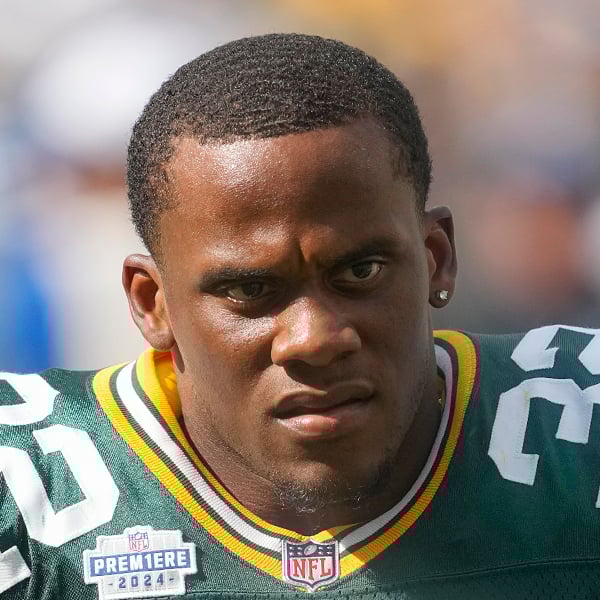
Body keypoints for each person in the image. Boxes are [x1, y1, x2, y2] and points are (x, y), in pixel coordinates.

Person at [1, 33, 599, 600]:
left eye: (360, 272)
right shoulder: (25, 487)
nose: (313, 339)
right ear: (152, 304)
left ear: (435, 258)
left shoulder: (579, 434)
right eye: (248, 289)